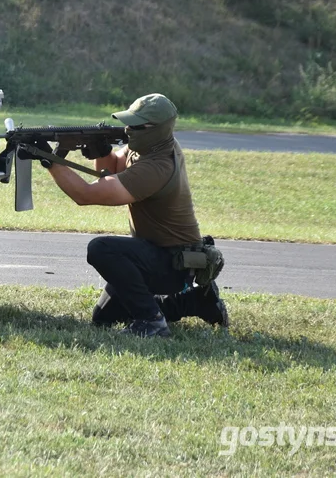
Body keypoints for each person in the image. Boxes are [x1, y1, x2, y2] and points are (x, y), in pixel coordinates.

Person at [27, 93, 228, 338]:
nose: (127, 130)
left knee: (102, 249)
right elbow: (111, 167)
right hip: (157, 252)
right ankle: (197, 301)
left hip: (173, 262)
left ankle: (152, 323)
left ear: (155, 129)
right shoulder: (148, 146)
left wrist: (50, 160)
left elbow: (85, 195)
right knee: (104, 317)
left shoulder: (157, 166)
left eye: (135, 125)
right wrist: (100, 148)